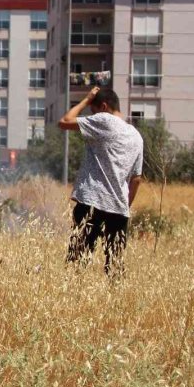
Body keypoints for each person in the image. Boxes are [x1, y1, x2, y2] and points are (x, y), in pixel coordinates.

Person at [59, 86, 143, 278]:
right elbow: (136, 179)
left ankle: (74, 302)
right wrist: (124, 206)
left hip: (91, 203)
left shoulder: (104, 119)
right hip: (119, 209)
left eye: (93, 111)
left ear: (103, 106)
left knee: (77, 263)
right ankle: (115, 304)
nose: (92, 116)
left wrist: (86, 100)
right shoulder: (136, 136)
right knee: (114, 267)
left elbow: (64, 122)